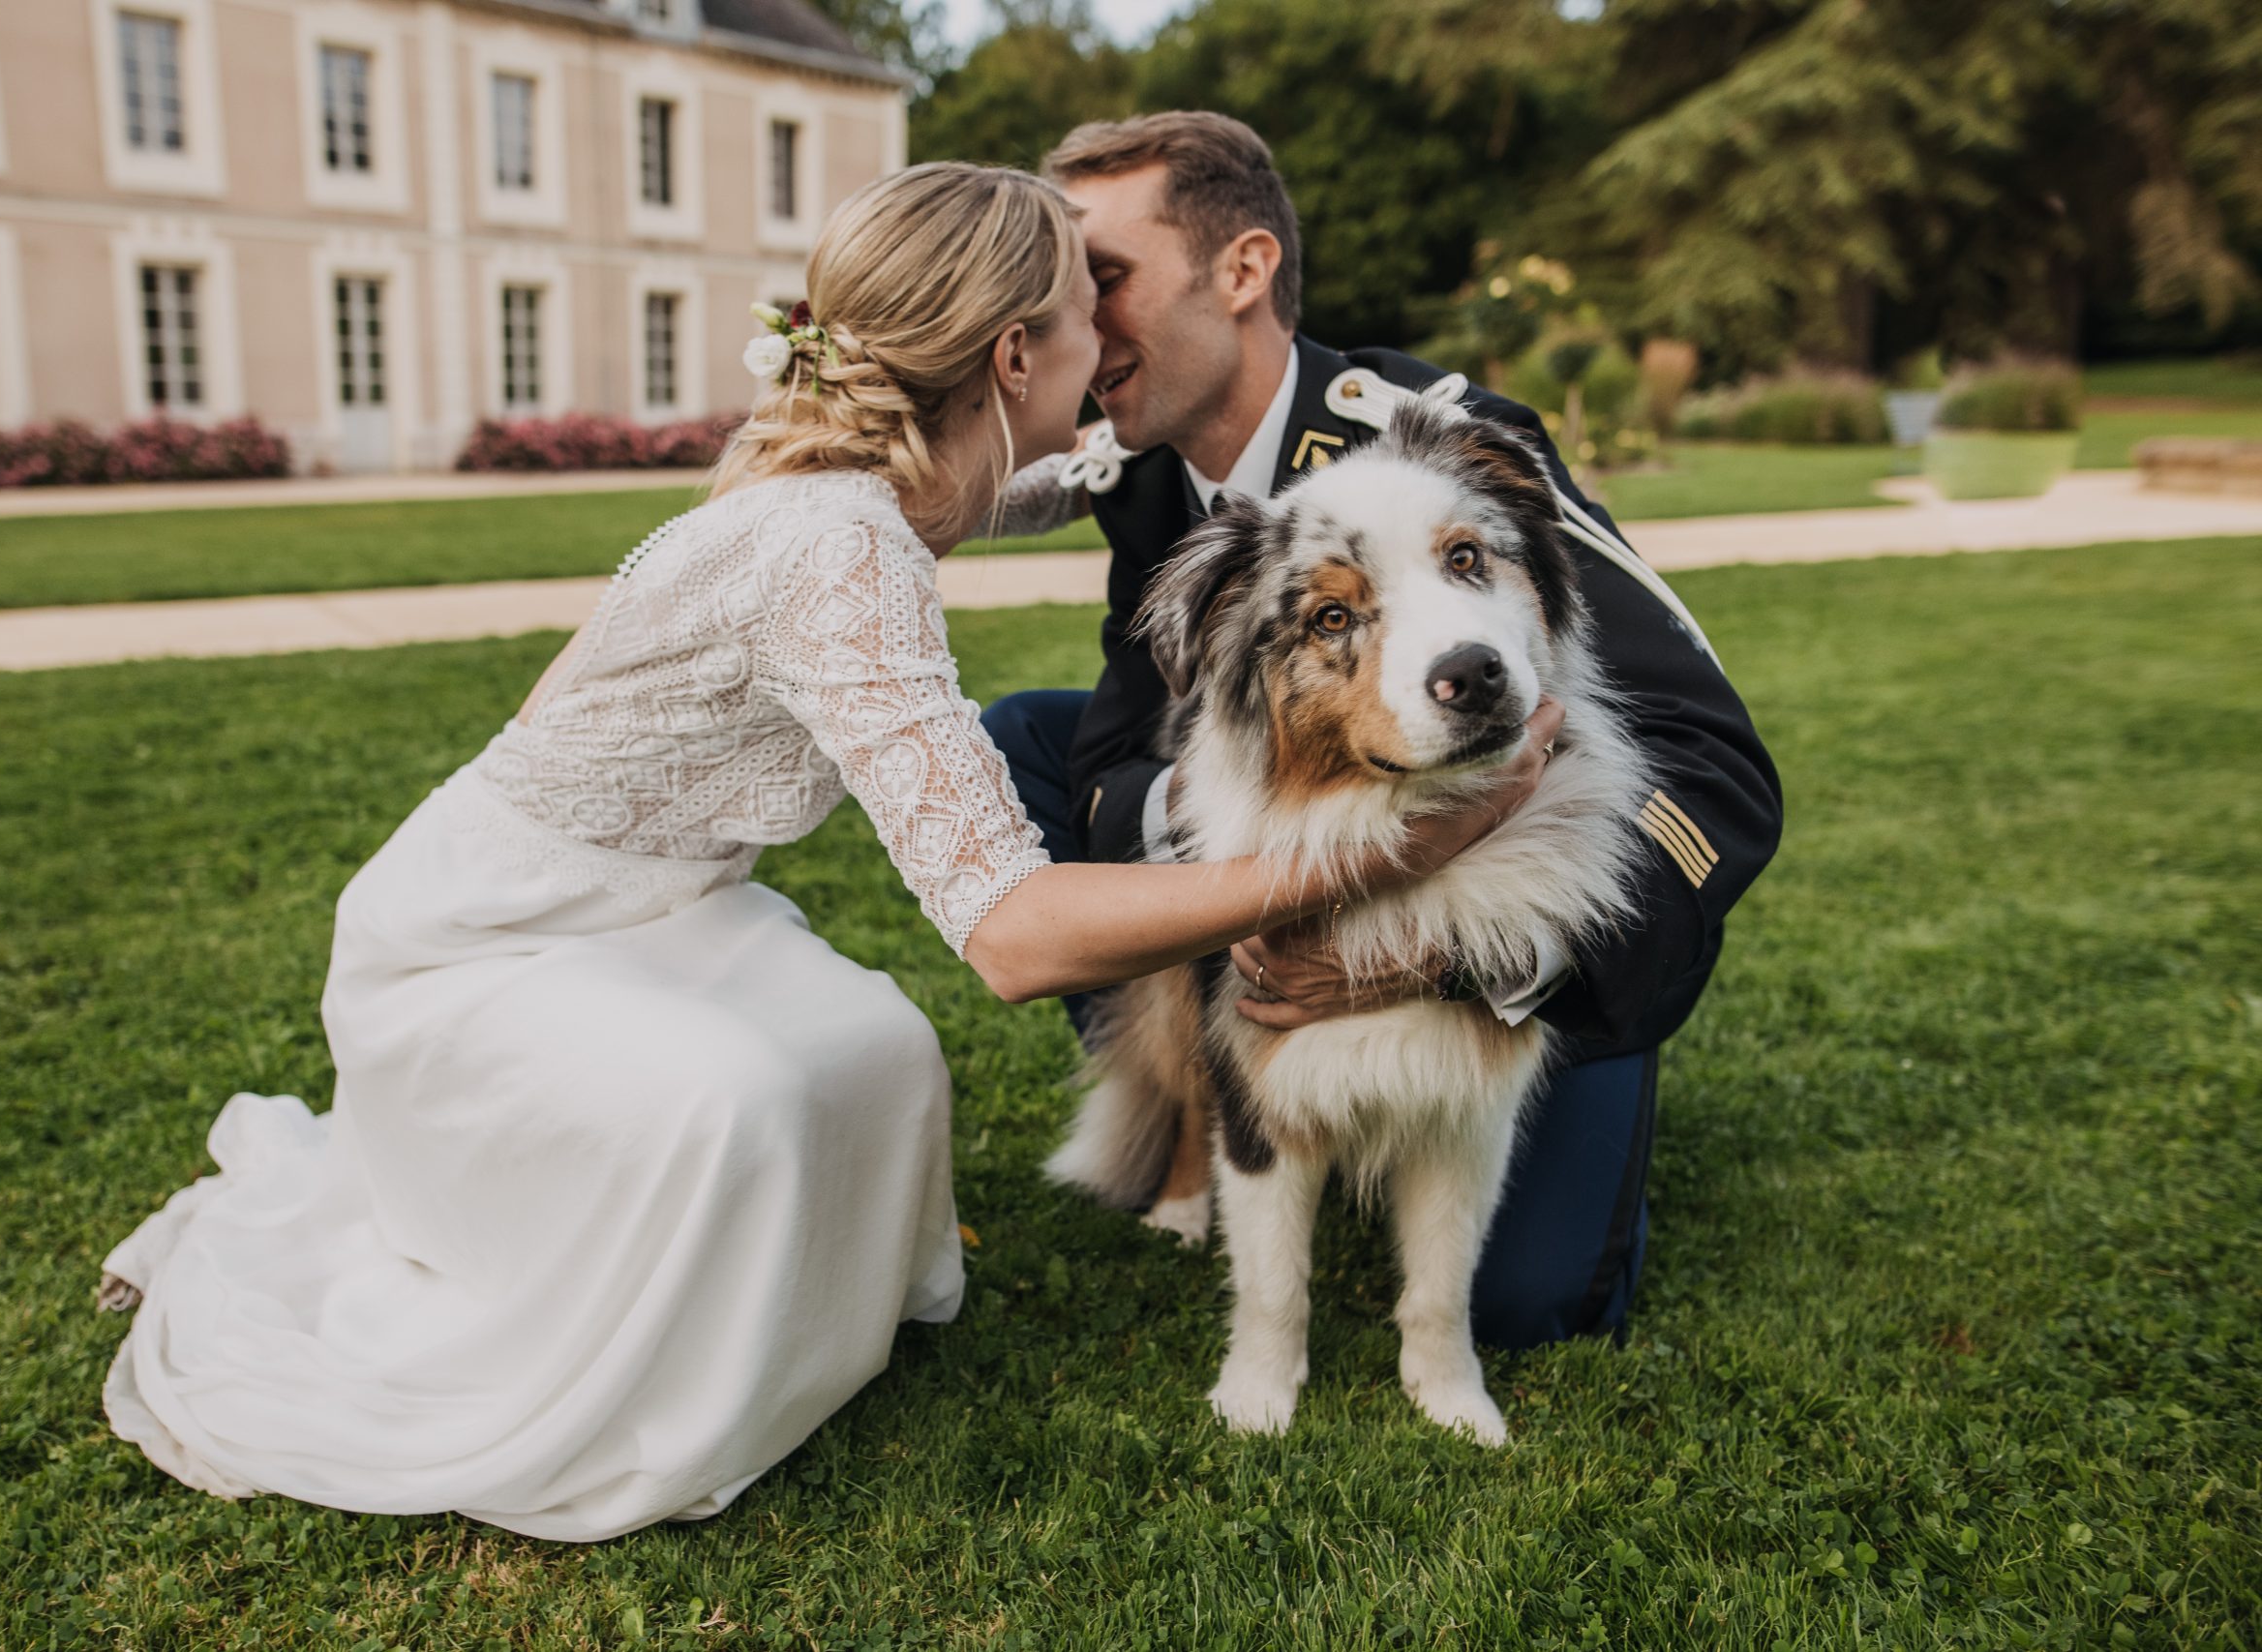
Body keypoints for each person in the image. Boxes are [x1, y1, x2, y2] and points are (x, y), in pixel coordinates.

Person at [93, 163, 1561, 1543]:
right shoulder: (834, 543)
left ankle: (800, 1323)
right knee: (731, 1099)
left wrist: (1243, 442)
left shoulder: (882, 480)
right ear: (1006, 361)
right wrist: (1358, 863)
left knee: (869, 1043)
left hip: (655, 904)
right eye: (1078, 317)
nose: (1103, 345)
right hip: (487, 936)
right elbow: (1011, 933)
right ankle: (651, 1369)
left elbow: (1067, 476)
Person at [980, 113, 1784, 1349]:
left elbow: (1712, 770)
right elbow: (1118, 745)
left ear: (1241, 272)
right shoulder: (1147, 478)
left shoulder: (1443, 439)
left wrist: (1474, 965)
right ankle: (1219, 1077)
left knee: (1532, 1306)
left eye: (1101, 281)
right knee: (1021, 747)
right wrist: (1255, 877)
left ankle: (1413, 1066)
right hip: (1323, 838)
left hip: (1524, 939)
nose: (1069, 330)